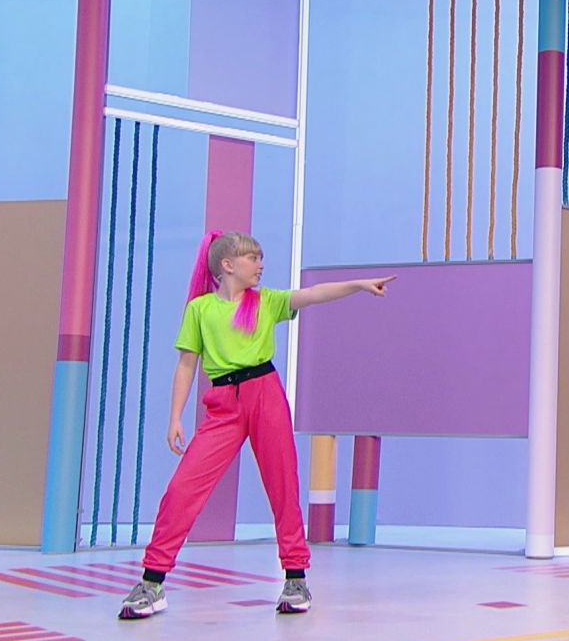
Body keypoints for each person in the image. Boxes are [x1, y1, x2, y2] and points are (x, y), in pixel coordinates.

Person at [119, 230, 395, 619]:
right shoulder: (200, 309)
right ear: (227, 265)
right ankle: (152, 582)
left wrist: (359, 285)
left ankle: (295, 578)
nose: (260, 265)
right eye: (253, 258)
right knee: (183, 489)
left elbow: (314, 294)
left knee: (283, 485)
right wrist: (175, 417)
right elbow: (186, 364)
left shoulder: (265, 301)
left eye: (260, 258)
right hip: (223, 404)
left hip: (265, 395)